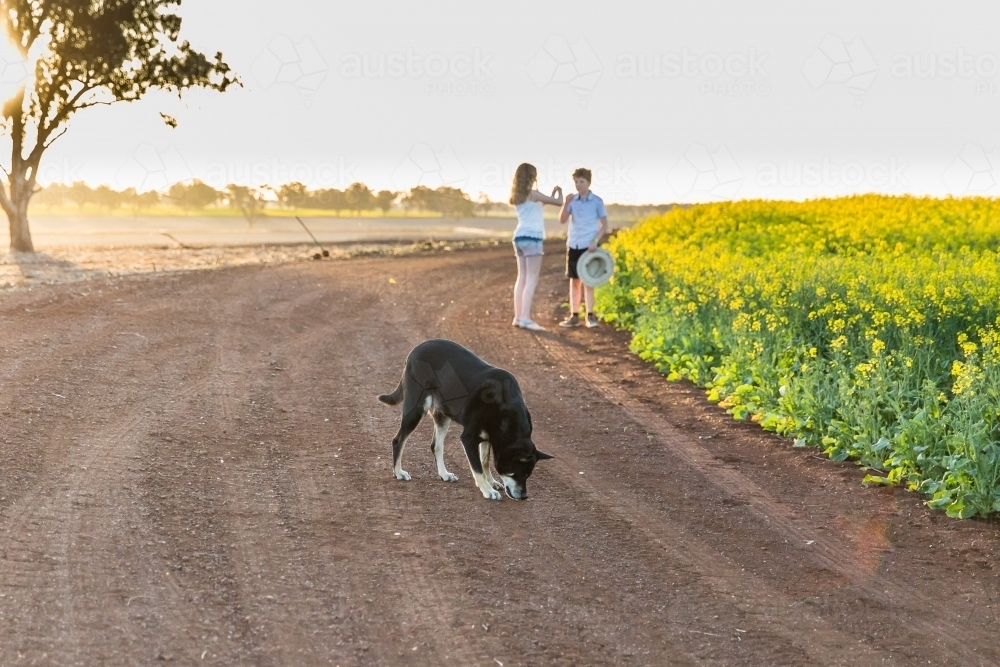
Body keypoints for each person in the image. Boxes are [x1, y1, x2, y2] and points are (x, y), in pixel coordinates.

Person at [509, 162, 563, 331]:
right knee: (532, 278)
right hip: (533, 237)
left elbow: (540, 205)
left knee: (522, 278)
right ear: (532, 177)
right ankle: (525, 318)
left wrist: (551, 196)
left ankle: (518, 317)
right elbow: (559, 202)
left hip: (519, 237)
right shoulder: (534, 193)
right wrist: (559, 191)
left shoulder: (517, 196)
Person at [558, 167, 608, 328]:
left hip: (589, 247)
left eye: (581, 182)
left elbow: (604, 225)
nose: (578, 185)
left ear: (588, 182)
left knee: (589, 281)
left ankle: (590, 315)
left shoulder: (597, 201)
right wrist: (565, 203)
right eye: (576, 182)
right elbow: (562, 220)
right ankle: (574, 315)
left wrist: (595, 241)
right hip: (574, 245)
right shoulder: (572, 201)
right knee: (574, 282)